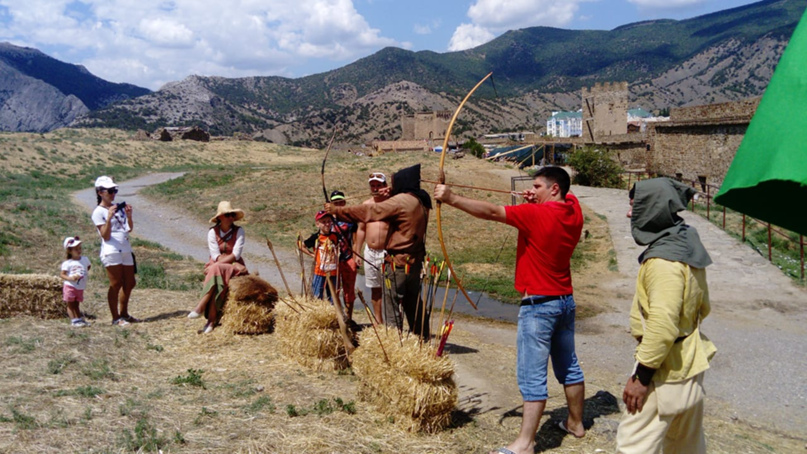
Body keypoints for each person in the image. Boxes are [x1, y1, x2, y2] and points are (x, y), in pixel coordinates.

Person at [434, 166, 586, 454]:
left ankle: (525, 444)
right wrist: (537, 196)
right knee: (569, 366)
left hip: (539, 306)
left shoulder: (537, 214)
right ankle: (575, 424)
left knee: (532, 375)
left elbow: (491, 212)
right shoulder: (573, 210)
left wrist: (451, 197)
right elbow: (568, 194)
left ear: (554, 189)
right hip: (564, 300)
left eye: (538, 186)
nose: (533, 191)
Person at [616, 178, 717, 454]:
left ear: (653, 211)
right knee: (685, 446)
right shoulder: (686, 244)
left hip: (664, 370)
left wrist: (641, 378)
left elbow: (662, 326)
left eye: (635, 208)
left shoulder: (663, 262)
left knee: (633, 444)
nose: (629, 215)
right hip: (690, 362)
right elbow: (702, 306)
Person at [327, 164, 431, 337]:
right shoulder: (421, 199)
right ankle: (422, 338)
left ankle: (393, 340)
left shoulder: (402, 201)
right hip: (414, 261)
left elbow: (371, 211)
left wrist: (337, 210)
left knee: (391, 301)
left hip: (399, 262)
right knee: (413, 301)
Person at [188, 201, 249, 334]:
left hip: (234, 266)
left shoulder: (239, 231)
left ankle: (201, 309)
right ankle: (211, 319)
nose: (231, 218)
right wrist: (220, 264)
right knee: (217, 272)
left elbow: (236, 254)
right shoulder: (212, 232)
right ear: (220, 217)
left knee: (215, 270)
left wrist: (217, 265)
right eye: (227, 215)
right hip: (224, 264)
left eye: (232, 215)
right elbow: (215, 255)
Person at [92, 175, 138, 326]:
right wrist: (108, 218)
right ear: (100, 193)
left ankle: (124, 313)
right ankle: (115, 317)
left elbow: (128, 228)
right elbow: (105, 236)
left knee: (130, 282)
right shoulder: (98, 212)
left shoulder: (118, 208)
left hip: (124, 247)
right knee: (116, 283)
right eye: (110, 191)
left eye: (114, 190)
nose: (113, 194)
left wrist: (129, 216)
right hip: (111, 249)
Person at [355, 172, 390, 324]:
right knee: (375, 289)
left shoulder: (392, 203)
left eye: (379, 185)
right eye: (373, 185)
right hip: (370, 252)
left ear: (385, 186)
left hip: (387, 252)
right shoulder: (366, 205)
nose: (375, 188)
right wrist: (357, 253)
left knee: (391, 289)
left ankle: (393, 321)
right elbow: (361, 229)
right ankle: (378, 321)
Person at [330, 190, 358, 320]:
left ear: (344, 202)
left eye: (341, 202)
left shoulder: (350, 219)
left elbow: (356, 238)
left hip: (347, 258)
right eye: (335, 202)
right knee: (334, 290)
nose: (339, 204)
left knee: (349, 291)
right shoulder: (327, 220)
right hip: (333, 261)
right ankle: (340, 317)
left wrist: (355, 255)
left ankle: (349, 318)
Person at [301, 210, 339, 301]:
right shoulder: (316, 237)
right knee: (317, 295)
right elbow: (301, 245)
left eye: (329, 221)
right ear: (318, 224)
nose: (327, 224)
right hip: (320, 271)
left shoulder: (335, 236)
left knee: (333, 296)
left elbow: (338, 248)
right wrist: (311, 254)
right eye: (324, 222)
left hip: (333, 271)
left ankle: (333, 312)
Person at [60, 236, 92, 327]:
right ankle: (74, 320)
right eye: (76, 249)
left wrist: (82, 274)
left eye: (79, 248)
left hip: (80, 286)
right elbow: (62, 274)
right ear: (69, 251)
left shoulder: (85, 259)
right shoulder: (68, 263)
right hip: (70, 286)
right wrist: (71, 278)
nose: (79, 251)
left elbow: (88, 267)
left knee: (77, 303)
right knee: (70, 304)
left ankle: (79, 319)